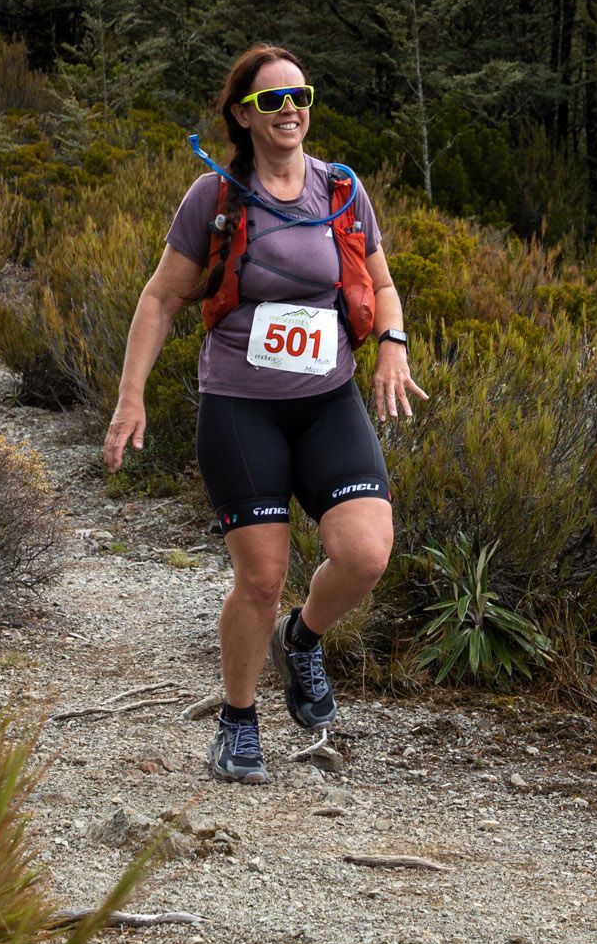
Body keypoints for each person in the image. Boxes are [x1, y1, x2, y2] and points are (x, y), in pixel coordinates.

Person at [102, 45, 425, 784]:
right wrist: (131, 395)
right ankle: (238, 721)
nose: (289, 111)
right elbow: (160, 298)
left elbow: (381, 282)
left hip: (326, 401)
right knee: (260, 578)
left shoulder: (340, 188)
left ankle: (302, 641)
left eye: (299, 96)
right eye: (271, 101)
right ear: (242, 115)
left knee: (366, 552)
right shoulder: (213, 197)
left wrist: (392, 347)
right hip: (240, 407)